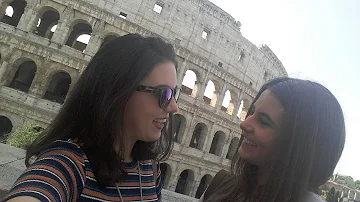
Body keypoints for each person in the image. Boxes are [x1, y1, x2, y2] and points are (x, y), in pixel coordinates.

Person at [3, 33, 180, 202]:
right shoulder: (69, 164)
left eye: (174, 94)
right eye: (164, 94)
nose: (173, 106)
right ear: (118, 91)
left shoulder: (149, 169)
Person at [200, 77, 345, 202]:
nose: (244, 124)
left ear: (299, 144)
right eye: (251, 112)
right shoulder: (220, 185)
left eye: (263, 121)